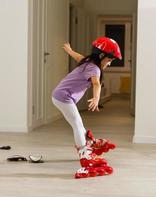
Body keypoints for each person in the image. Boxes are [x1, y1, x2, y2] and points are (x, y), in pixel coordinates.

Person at [51, 37, 121, 178]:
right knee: (77, 124)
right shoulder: (94, 68)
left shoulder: (88, 62)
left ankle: (88, 143)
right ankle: (85, 156)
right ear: (101, 56)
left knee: (79, 124)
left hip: (61, 96)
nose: (109, 64)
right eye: (109, 60)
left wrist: (70, 51)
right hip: (64, 97)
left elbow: (78, 57)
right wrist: (96, 98)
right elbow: (96, 84)